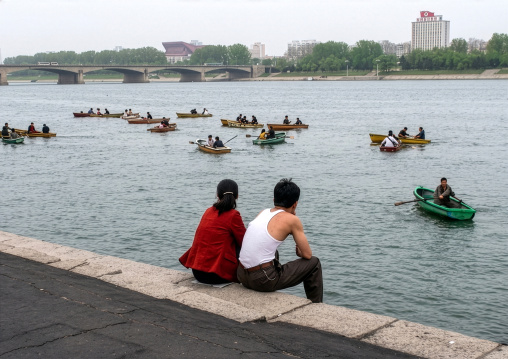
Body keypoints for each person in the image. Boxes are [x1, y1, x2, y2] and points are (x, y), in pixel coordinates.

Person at [237, 178, 323, 303]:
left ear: (274, 200)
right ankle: (317, 306)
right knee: (314, 263)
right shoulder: (292, 219)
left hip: (242, 275)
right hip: (262, 280)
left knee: (272, 252)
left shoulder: (263, 212)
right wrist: (300, 253)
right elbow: (307, 255)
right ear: (295, 204)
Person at [179, 179, 246, 284]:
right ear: (237, 196)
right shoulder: (233, 215)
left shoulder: (208, 211)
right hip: (217, 275)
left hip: (197, 272)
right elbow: (244, 242)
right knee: (244, 245)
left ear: (217, 195)